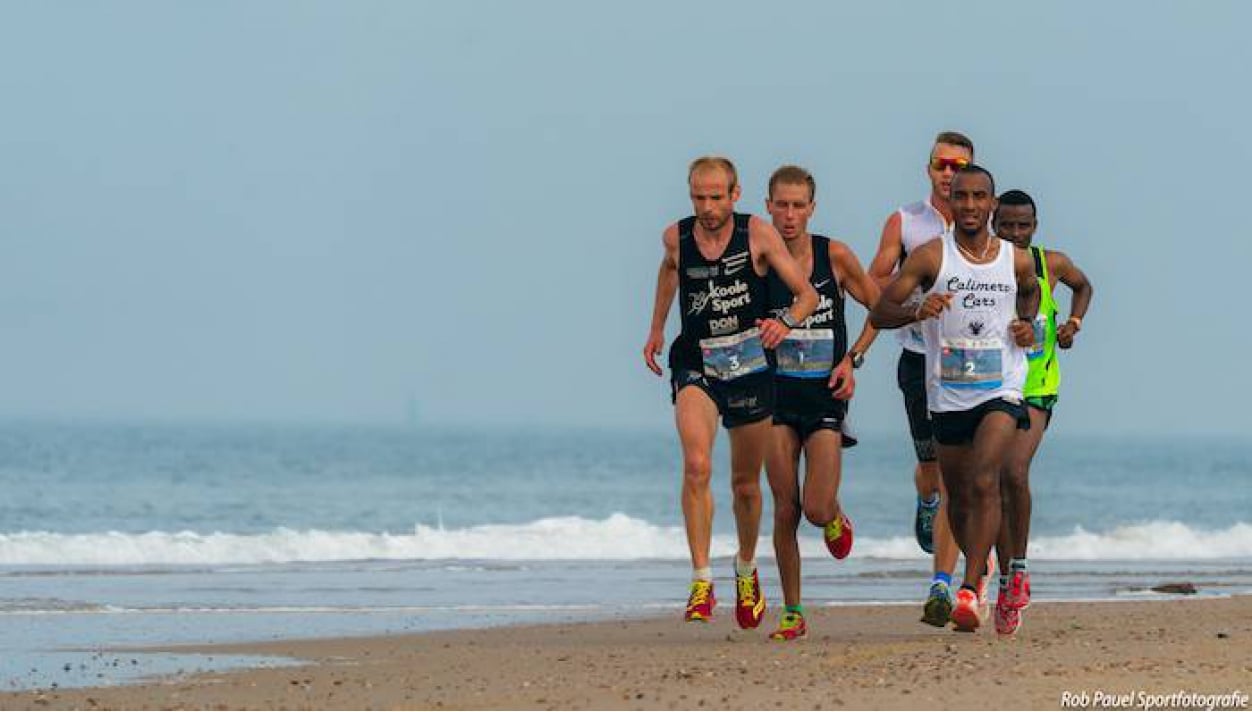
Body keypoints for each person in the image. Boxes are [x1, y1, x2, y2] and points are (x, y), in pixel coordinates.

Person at [643, 156, 818, 628]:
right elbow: (668, 271)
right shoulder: (675, 238)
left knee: (745, 485)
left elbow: (808, 296)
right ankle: (701, 579)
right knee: (697, 464)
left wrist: (784, 323)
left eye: (716, 197)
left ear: (735, 195)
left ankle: (745, 566)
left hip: (750, 367)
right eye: (699, 196)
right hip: (696, 360)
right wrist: (657, 328)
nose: (707, 206)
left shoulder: (758, 234)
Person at [870, 165, 1038, 632]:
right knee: (960, 497)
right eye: (960, 197)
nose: (968, 206)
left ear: (991, 203)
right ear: (952, 201)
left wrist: (1027, 325)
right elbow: (880, 310)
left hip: (1001, 387)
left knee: (987, 477)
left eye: (978, 197)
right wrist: (914, 310)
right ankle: (976, 570)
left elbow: (1030, 293)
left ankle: (969, 587)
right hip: (946, 393)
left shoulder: (1014, 258)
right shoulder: (930, 257)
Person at [759, 166, 881, 641]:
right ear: (768, 206)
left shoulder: (835, 255)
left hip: (824, 397)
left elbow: (882, 307)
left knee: (813, 507)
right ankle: (793, 612)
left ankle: (834, 516)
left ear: (812, 208)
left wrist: (853, 360)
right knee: (785, 508)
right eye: (781, 205)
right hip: (773, 399)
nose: (789, 215)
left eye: (798, 206)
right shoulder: (757, 262)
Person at [866, 130, 975, 625]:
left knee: (964, 476)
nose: (949, 174)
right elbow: (874, 283)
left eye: (958, 165)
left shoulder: (984, 223)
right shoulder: (906, 221)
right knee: (931, 468)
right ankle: (925, 497)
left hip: (969, 363)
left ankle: (943, 584)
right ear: (928, 168)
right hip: (916, 358)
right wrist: (911, 301)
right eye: (941, 165)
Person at [990, 189, 1094, 635]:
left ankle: (1018, 567)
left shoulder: (1053, 264)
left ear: (1035, 226)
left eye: (1023, 225)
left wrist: (1073, 324)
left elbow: (1085, 286)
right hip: (991, 386)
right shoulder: (982, 267)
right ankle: (1003, 583)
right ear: (994, 224)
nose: (1014, 233)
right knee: (991, 482)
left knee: (1014, 472)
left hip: (1037, 387)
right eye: (1007, 225)